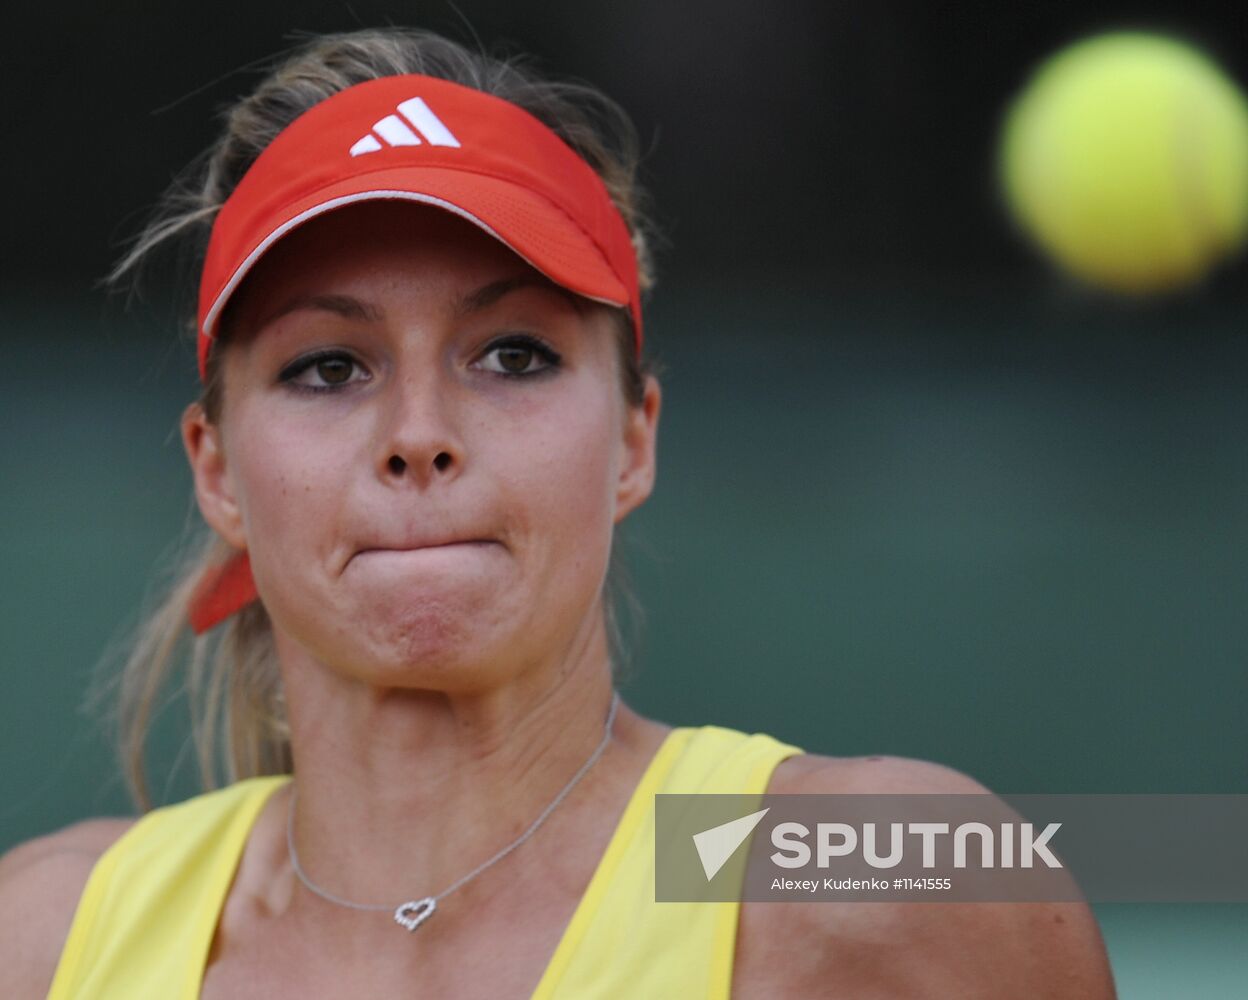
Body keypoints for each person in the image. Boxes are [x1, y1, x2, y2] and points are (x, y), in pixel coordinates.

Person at [0, 27, 1116, 999]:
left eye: (515, 353)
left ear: (635, 437)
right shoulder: (40, 944)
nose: (419, 428)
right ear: (217, 473)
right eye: (329, 366)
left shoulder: (891, 886)